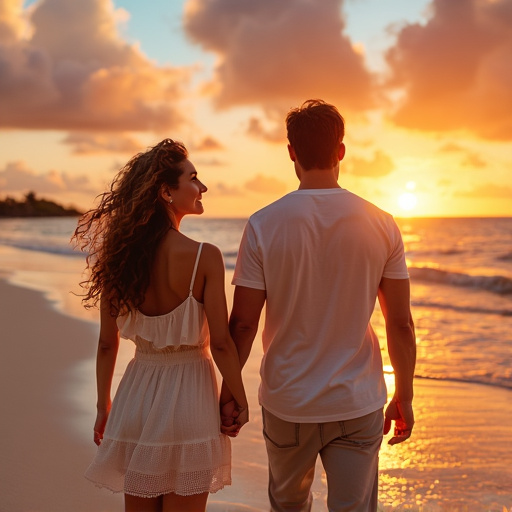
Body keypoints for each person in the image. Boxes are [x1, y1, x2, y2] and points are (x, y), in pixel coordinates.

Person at [220, 100, 416, 511]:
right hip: (356, 399)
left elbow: (242, 324)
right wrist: (405, 394)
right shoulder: (381, 222)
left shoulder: (263, 223)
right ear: (340, 150)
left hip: (288, 399)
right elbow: (400, 325)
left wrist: (231, 389)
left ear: (291, 151)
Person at [73, 139, 248, 512]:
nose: (203, 188)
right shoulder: (205, 256)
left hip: (136, 394)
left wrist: (104, 407)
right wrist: (240, 395)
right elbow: (221, 343)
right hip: (190, 398)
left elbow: (107, 344)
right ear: (166, 191)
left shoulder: (119, 261)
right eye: (194, 179)